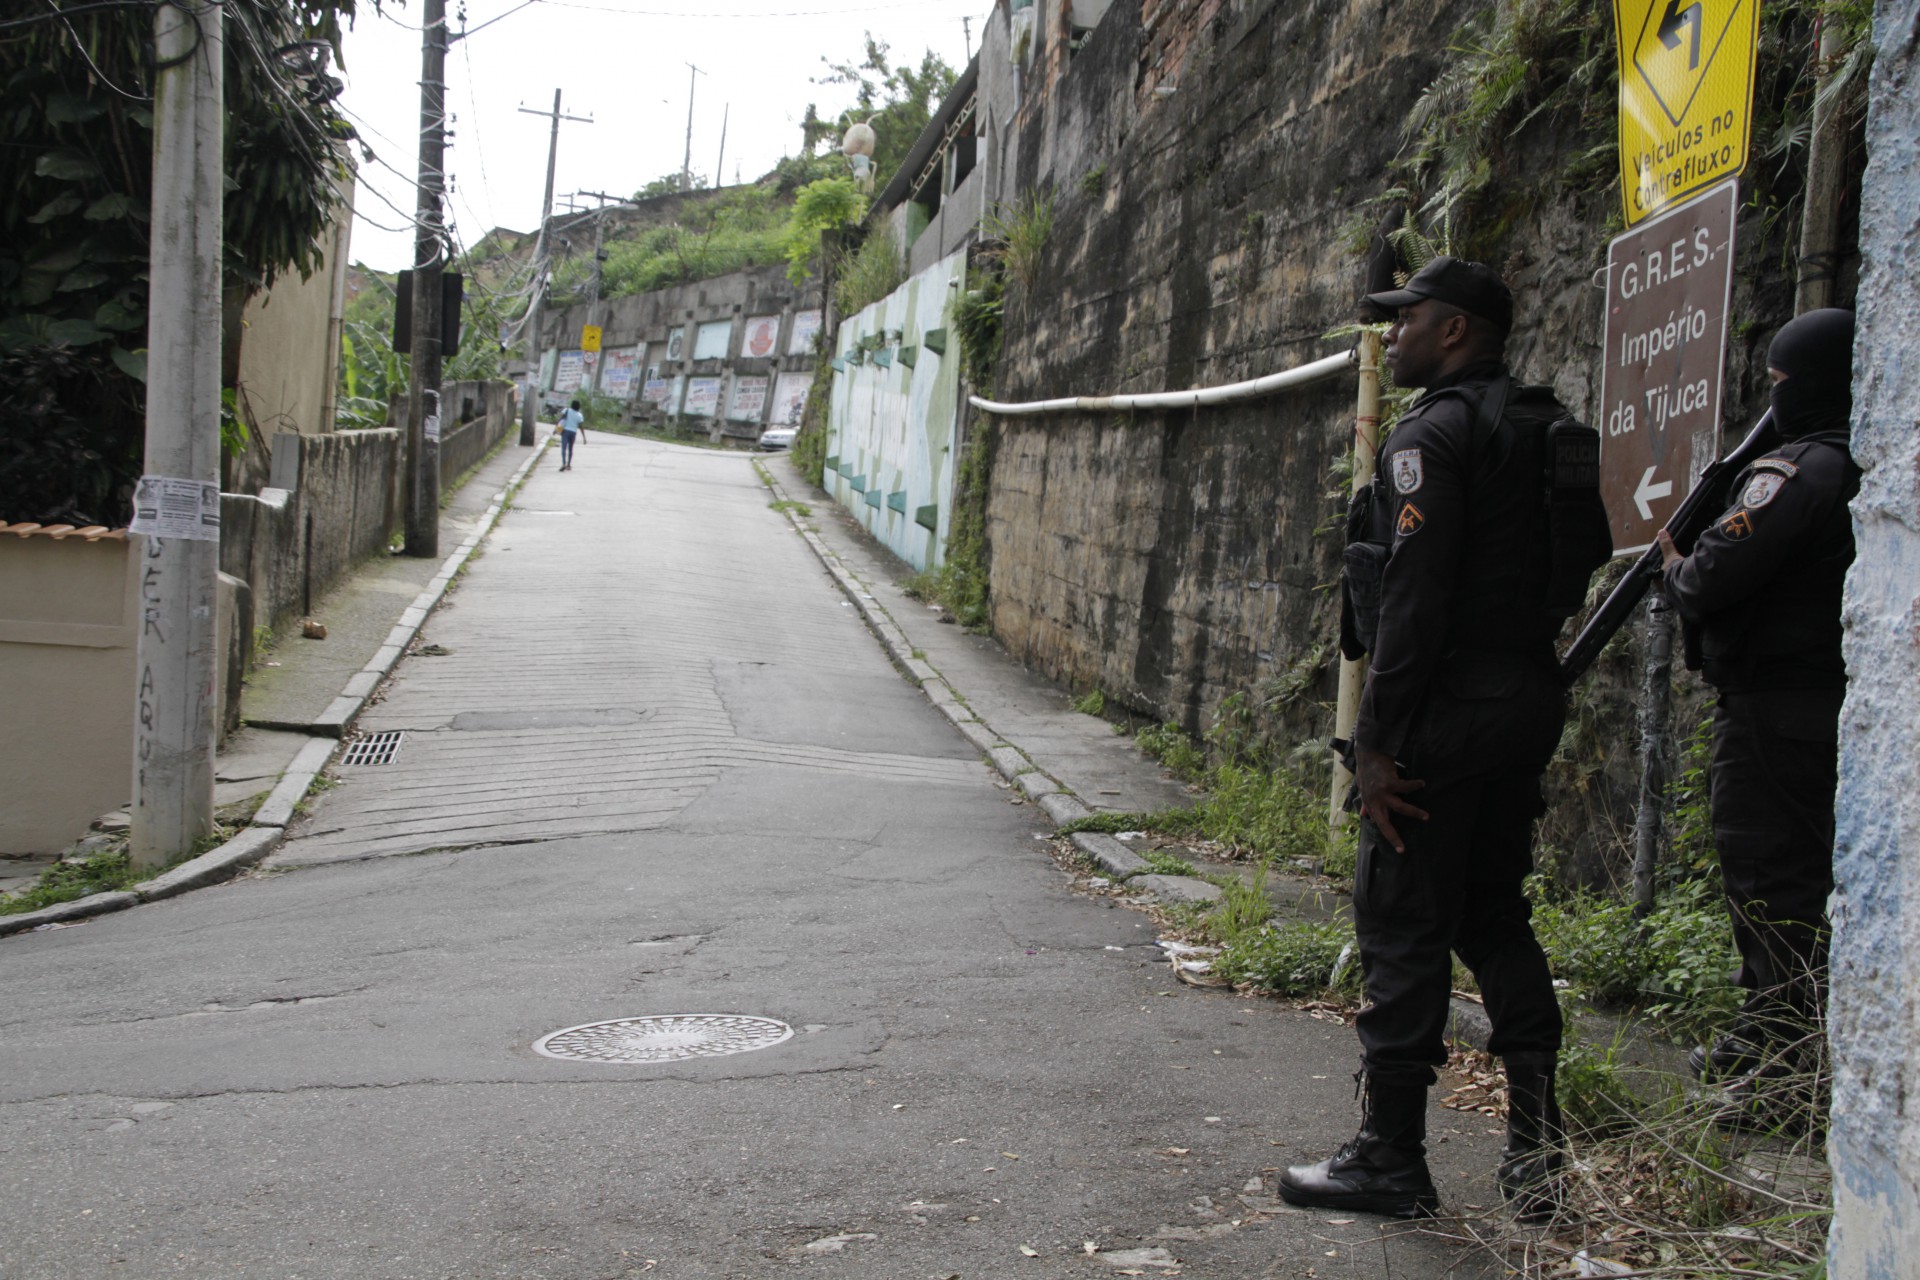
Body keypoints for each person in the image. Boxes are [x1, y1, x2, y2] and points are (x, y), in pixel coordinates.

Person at [1281, 257, 1610, 1220]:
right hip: (1524, 697)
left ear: (1456, 329)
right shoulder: (1548, 429)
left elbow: (1413, 598)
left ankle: (1390, 1157)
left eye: (1409, 318)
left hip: (1446, 710)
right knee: (1493, 914)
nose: (1395, 336)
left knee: (1402, 921)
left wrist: (1377, 742)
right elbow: (1580, 558)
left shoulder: (1434, 434)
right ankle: (1537, 1155)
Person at [1657, 308, 1858, 1123]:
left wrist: (1676, 566)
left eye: (1779, 384)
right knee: (1781, 880)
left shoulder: (1798, 472)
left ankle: (1783, 1075)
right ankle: (1764, 1034)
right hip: (1810, 705)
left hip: (1780, 709)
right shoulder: (1851, 463)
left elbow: (1712, 577)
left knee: (1771, 880)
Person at [558, 399, 586, 471]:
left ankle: (563, 463)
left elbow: (561, 419)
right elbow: (581, 427)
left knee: (564, 448)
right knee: (570, 449)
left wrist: (557, 429)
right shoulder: (579, 415)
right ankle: (569, 464)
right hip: (573, 432)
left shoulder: (566, 410)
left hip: (565, 431)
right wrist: (584, 437)